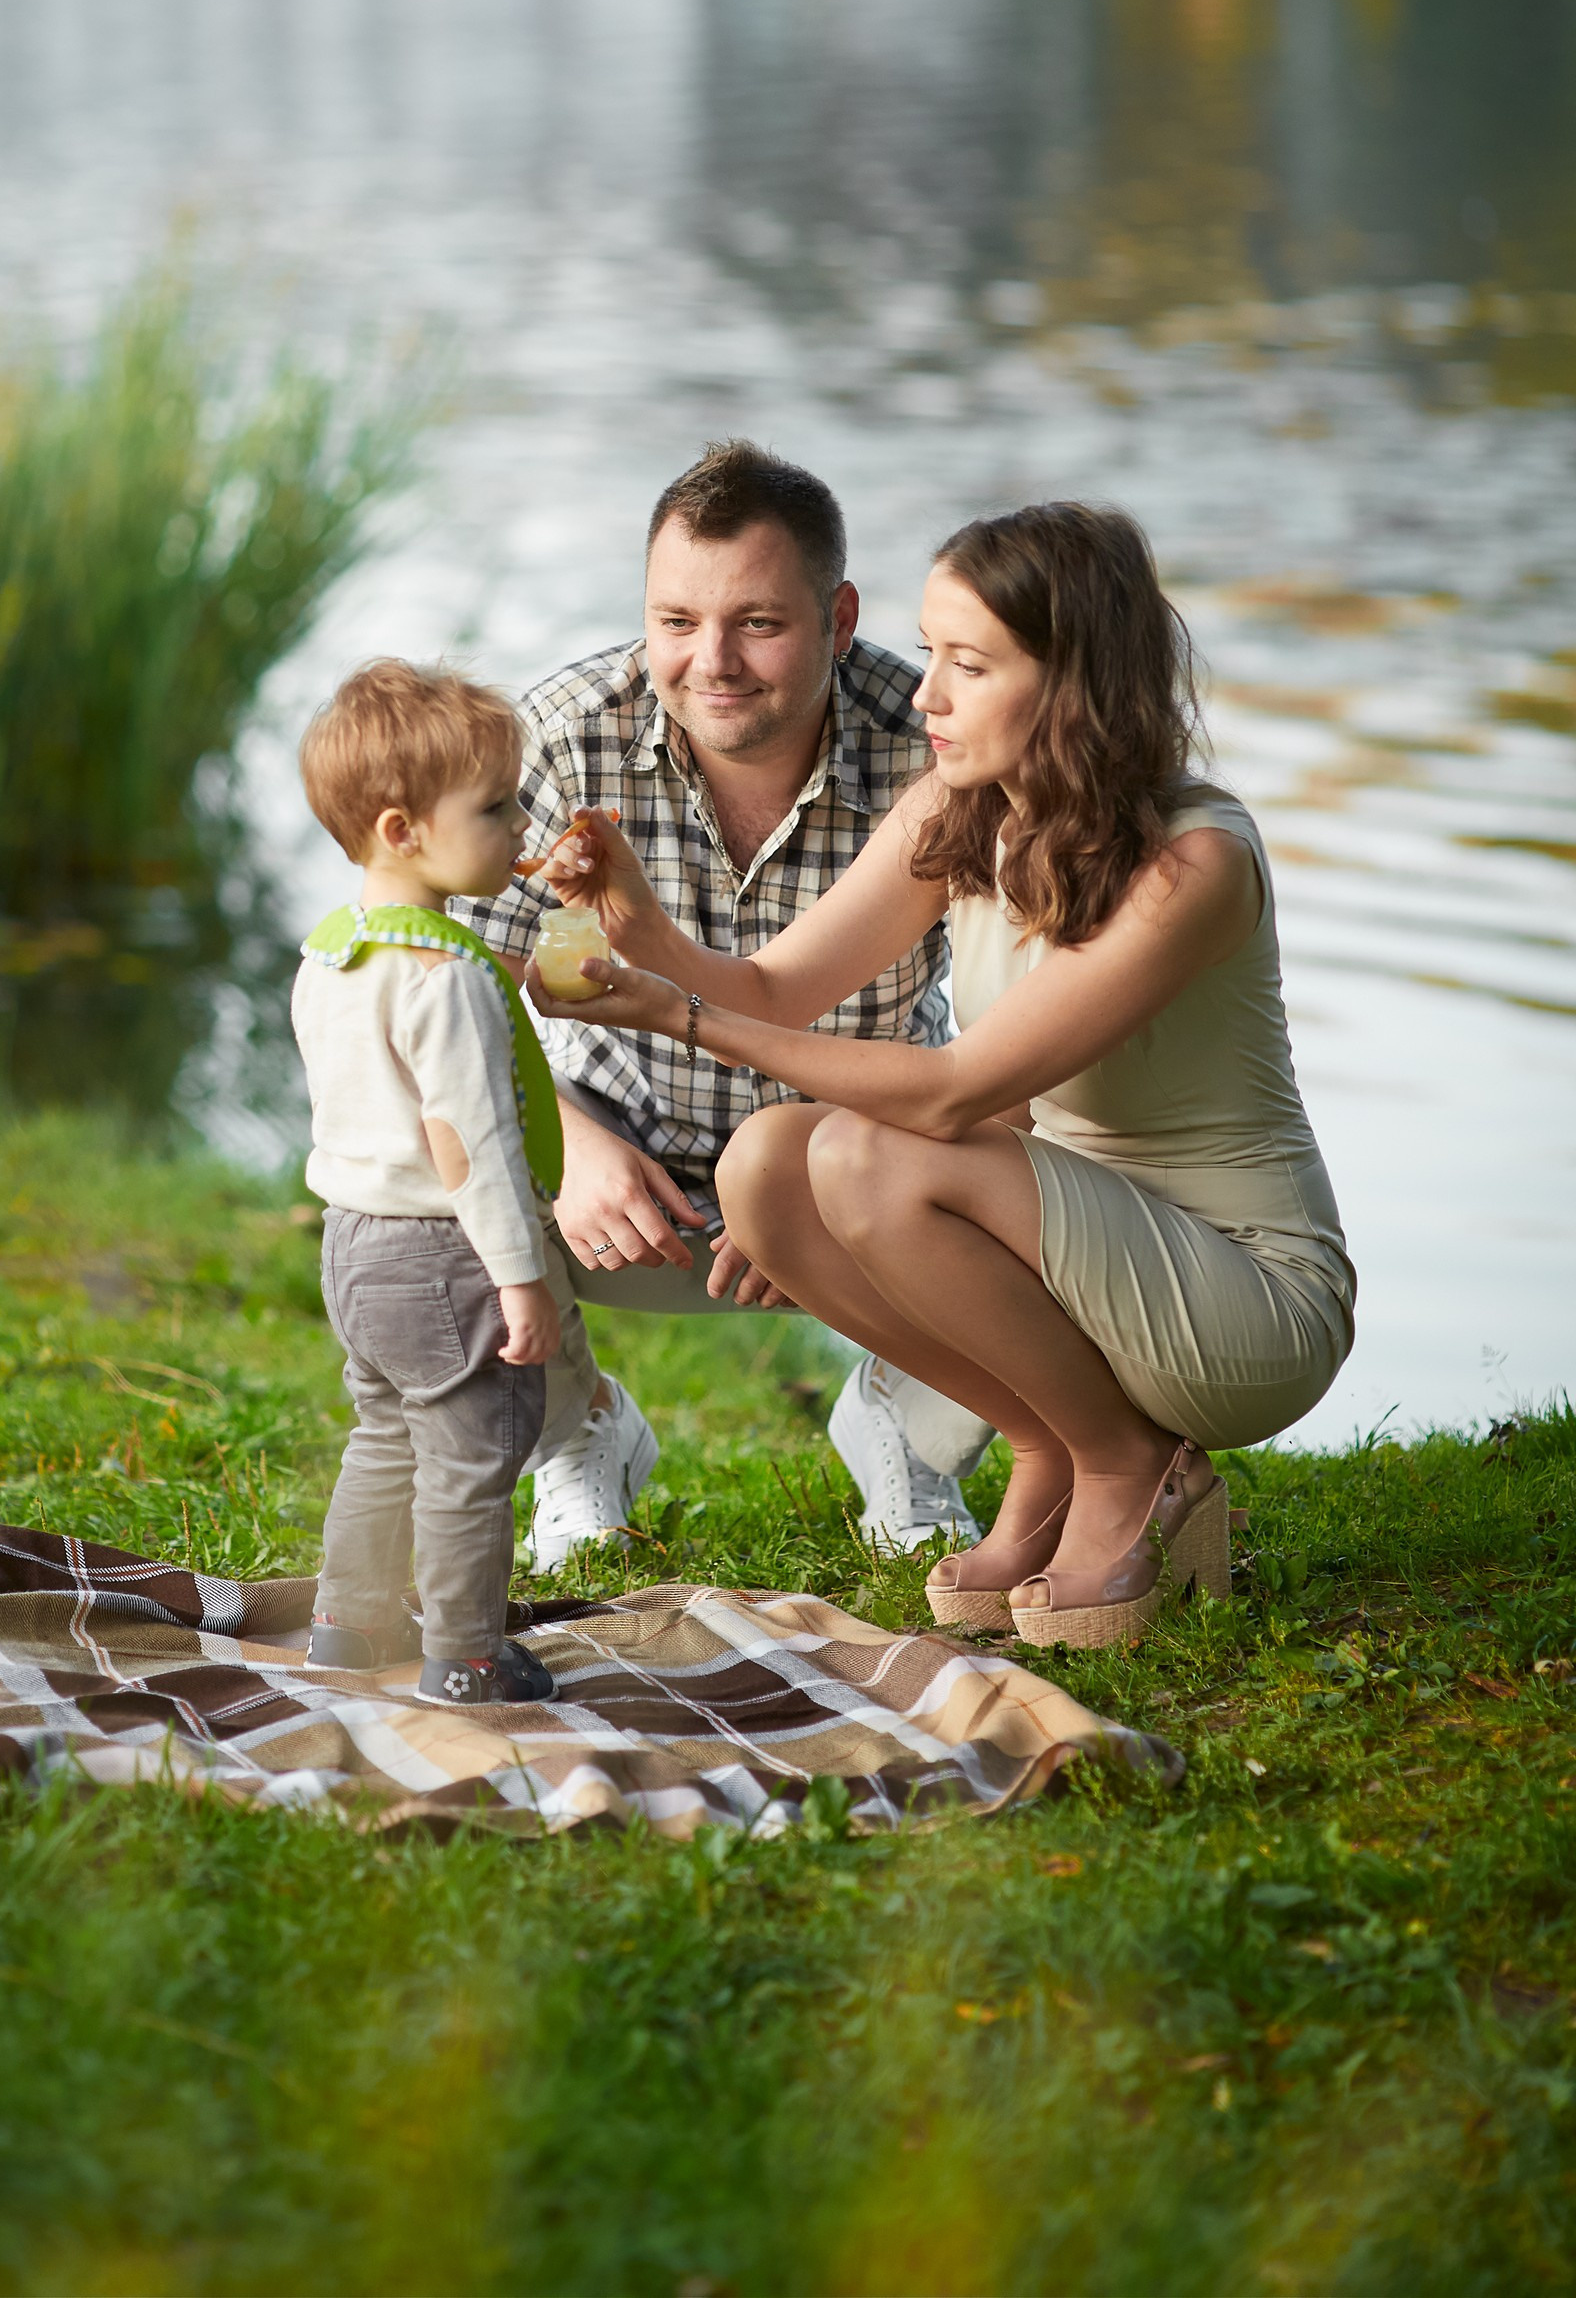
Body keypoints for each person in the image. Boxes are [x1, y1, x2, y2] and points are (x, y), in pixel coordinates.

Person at [527, 501, 1356, 1651]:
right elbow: (771, 987)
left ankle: (1123, 1460)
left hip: (1237, 1297)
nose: (924, 697)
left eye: (968, 665)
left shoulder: (1193, 863)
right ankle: (1048, 1443)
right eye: (930, 655)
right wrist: (640, 927)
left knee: (863, 1152)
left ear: (1073, 683)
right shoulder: (963, 810)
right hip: (1062, 1253)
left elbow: (954, 1092)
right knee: (765, 1164)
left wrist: (680, 1015)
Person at [460, 443, 992, 1568]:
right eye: (676, 621)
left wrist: (798, 1173)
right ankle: (578, 1432)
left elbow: (1013, 1031)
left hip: (861, 1166)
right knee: (427, 1151)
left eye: (758, 623)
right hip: (626, 1165)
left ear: (838, 618)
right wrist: (574, 1142)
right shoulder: (562, 733)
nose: (712, 663)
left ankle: (910, 1429)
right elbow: (460, 984)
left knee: (1060, 1155)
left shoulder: (937, 746)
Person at [291, 659, 561, 1706]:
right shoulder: (445, 980)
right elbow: (468, 1144)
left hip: (351, 1243)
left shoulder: (331, 954)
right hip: (442, 1251)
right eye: (494, 808)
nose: (518, 825)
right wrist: (521, 1277)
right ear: (402, 831)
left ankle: (348, 1627)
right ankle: (464, 1656)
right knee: (471, 1458)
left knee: (385, 1440)